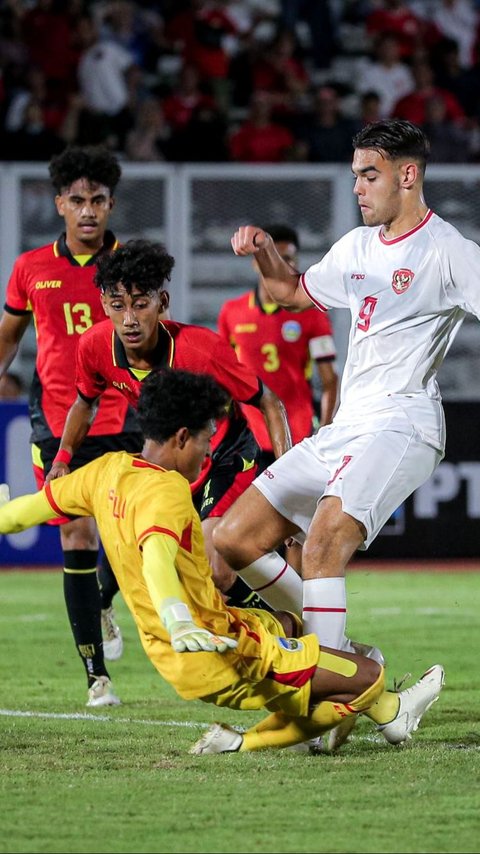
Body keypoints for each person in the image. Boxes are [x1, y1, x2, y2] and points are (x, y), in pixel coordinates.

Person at [0, 368, 445, 755]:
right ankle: (373, 717)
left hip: (190, 645)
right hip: (219, 651)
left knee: (291, 625)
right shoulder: (167, 491)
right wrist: (179, 620)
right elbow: (156, 556)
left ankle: (321, 705)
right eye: (205, 439)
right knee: (369, 674)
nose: (207, 452)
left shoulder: (106, 470)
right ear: (180, 438)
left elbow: (27, 511)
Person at [211, 118, 480, 745]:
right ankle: (354, 667)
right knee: (234, 537)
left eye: (370, 174)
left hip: (404, 422)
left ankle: (324, 706)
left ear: (408, 176)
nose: (358, 187)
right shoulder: (357, 247)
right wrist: (263, 252)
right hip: (348, 425)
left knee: (327, 538)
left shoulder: (450, 252)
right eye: (356, 173)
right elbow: (286, 290)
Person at [47, 239, 295, 614]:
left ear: (162, 303)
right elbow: (84, 402)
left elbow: (268, 401)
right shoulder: (94, 347)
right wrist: (63, 459)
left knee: (216, 569)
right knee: (176, 570)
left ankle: (286, 618)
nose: (130, 319)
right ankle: (269, 615)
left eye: (141, 304)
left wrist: (287, 480)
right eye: (118, 306)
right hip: (174, 468)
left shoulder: (201, 350)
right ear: (104, 306)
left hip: (225, 453)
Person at [0, 145, 144, 707]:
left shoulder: (130, 263)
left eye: (99, 200)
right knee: (76, 535)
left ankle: (106, 601)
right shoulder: (30, 267)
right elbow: (10, 337)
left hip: (128, 416)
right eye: (78, 200)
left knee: (132, 536)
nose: (88, 210)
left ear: (111, 205)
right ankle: (96, 677)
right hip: (57, 424)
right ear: (60, 203)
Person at [217, 223, 338, 475]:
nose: (283, 264)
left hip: (297, 432)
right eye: (275, 257)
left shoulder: (311, 314)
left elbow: (330, 380)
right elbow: (223, 378)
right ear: (256, 262)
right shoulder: (232, 312)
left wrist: (326, 430)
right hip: (247, 437)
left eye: (289, 259)